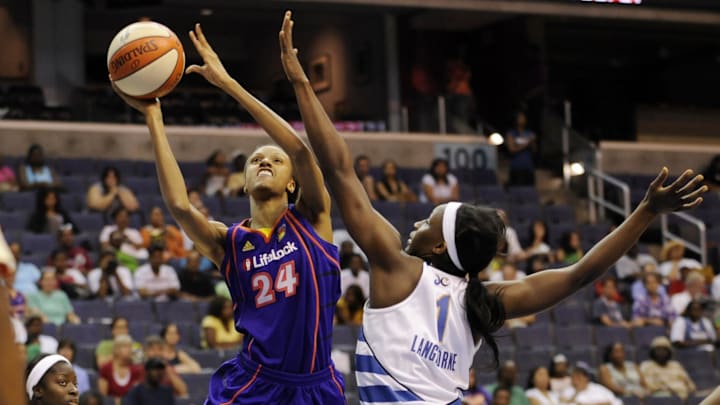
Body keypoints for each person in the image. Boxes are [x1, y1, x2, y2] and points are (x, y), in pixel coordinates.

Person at [279, 11, 708, 403]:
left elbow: (339, 170)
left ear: (438, 248)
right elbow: (583, 274)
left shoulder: (396, 266)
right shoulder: (483, 302)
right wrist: (646, 212)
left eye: (428, 222)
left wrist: (301, 84)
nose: (416, 224)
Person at [112, 16, 345, 404]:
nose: (264, 161)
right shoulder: (231, 241)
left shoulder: (313, 219)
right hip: (255, 382)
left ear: (293, 182)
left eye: (274, 159)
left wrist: (228, 85)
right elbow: (180, 206)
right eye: (255, 160)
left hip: (317, 386)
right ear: (244, 180)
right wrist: (154, 118)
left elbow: (302, 151)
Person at [98, 334, 144, 401]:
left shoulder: (137, 370)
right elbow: (103, 397)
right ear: (116, 349)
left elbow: (138, 396)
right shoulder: (105, 369)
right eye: (126, 346)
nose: (130, 350)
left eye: (130, 346)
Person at [505, 112, 536, 187]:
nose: (522, 120)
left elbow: (534, 150)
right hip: (517, 168)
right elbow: (511, 149)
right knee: (517, 191)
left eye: (523, 118)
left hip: (528, 167)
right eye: (520, 118)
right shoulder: (511, 133)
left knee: (529, 191)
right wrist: (526, 144)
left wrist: (532, 143)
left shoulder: (529, 133)